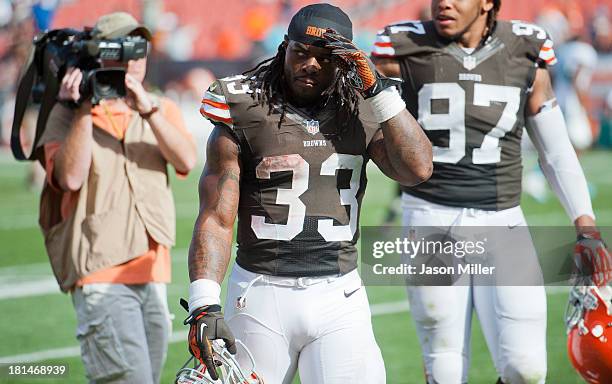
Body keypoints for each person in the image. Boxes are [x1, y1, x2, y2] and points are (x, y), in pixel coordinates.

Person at [185, 3, 433, 383]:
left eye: (325, 58)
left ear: (346, 62)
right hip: (260, 292)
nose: (311, 65)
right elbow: (216, 217)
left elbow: (417, 170)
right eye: (301, 52)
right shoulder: (245, 104)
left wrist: (379, 93)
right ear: (284, 47)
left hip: (340, 294)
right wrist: (204, 302)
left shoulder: (365, 105)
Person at [373, 0, 611, 383]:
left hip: (503, 219)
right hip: (431, 216)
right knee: (446, 366)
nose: (443, 3)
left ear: (487, 3)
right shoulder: (400, 46)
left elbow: (555, 150)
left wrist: (586, 226)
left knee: (526, 369)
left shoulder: (525, 47)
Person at [35, 12, 196, 384]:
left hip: (153, 271)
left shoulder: (160, 107)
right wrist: (81, 111)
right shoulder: (65, 112)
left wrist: (148, 110)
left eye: (140, 48)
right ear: (101, 54)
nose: (135, 58)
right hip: (99, 271)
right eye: (124, 47)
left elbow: (187, 159)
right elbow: (69, 178)